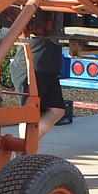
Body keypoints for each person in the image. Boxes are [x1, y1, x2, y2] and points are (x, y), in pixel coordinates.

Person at [10, 11, 71, 139]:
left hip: (47, 67)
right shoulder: (36, 7)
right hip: (31, 66)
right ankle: (24, 149)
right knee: (29, 114)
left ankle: (25, 146)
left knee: (57, 110)